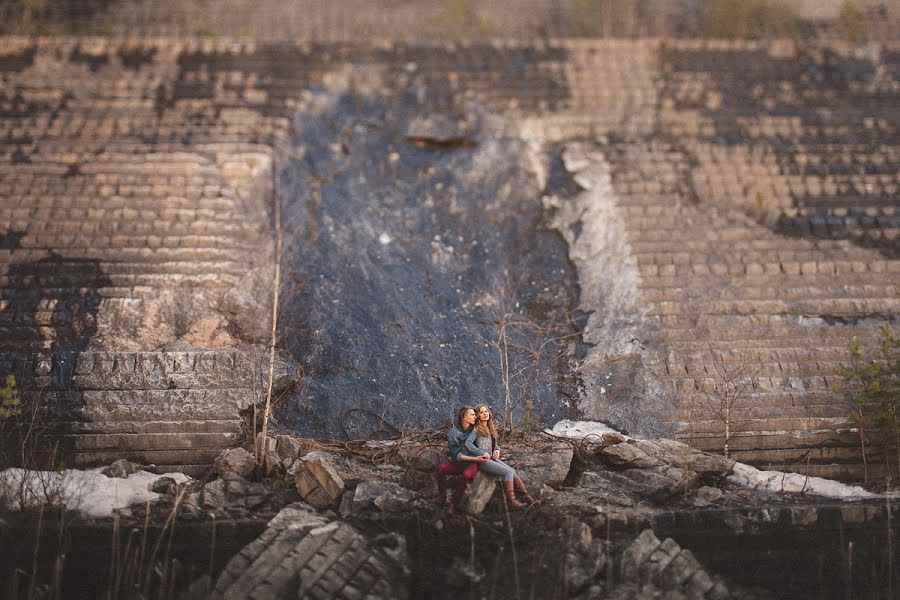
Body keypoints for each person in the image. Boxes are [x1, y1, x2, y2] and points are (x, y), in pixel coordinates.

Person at [463, 403, 535, 509]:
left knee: (513, 472)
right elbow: (468, 444)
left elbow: (494, 445)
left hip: (491, 459)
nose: (484, 414)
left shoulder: (489, 428)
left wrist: (497, 450)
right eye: (481, 412)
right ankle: (511, 500)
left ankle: (527, 497)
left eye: (486, 411)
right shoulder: (476, 429)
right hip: (482, 461)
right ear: (477, 416)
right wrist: (481, 453)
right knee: (508, 472)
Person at [436, 405, 489, 512]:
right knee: (441, 468)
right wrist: (475, 459)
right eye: (472, 415)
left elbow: (489, 438)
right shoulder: (453, 433)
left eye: (475, 414)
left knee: (466, 476)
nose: (475, 417)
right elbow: (456, 455)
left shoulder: (475, 429)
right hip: (460, 462)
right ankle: (442, 497)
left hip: (472, 464)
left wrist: (496, 449)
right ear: (464, 417)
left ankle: (453, 503)